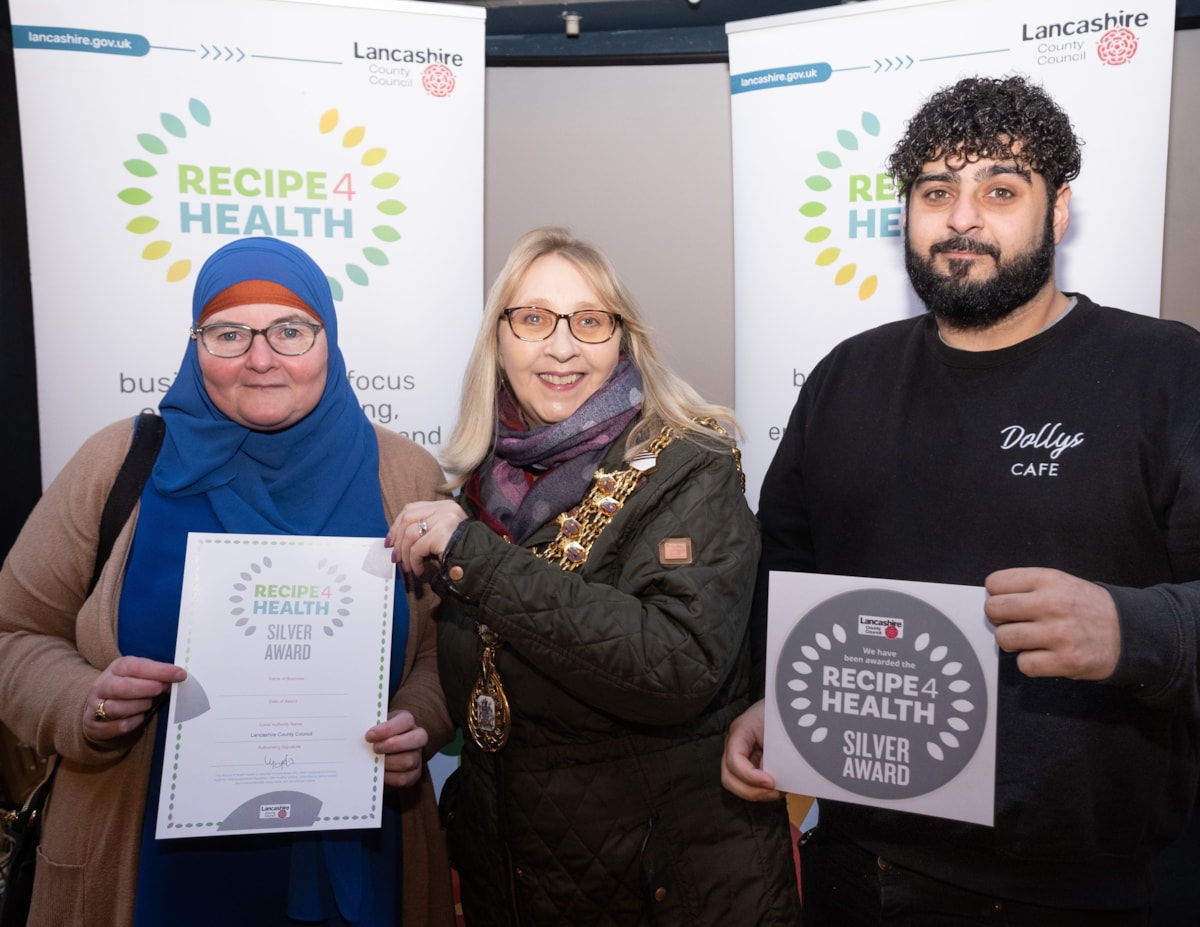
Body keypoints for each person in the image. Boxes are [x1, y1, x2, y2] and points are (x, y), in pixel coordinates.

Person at [720, 75, 1200, 925]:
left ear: (1057, 214)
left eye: (1001, 190)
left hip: (1086, 891)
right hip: (858, 869)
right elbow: (785, 568)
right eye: (937, 191)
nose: (963, 218)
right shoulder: (846, 378)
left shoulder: (1165, 373)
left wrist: (1135, 629)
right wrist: (776, 695)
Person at [0, 237, 456, 926]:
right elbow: (14, 632)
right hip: (147, 865)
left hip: (357, 862)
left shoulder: (405, 477)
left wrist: (415, 720)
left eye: (290, 330)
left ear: (327, 339)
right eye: (229, 332)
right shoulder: (119, 464)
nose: (261, 356)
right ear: (195, 343)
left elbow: (444, 652)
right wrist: (83, 700)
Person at [386, 227, 803, 925]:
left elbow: (676, 666)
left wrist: (481, 561)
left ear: (622, 341)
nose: (561, 346)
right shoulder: (477, 493)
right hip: (517, 883)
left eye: (589, 321)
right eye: (532, 319)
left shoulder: (690, 468)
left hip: (669, 886)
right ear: (499, 341)